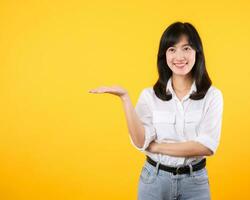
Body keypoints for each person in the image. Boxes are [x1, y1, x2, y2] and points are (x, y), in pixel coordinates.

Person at [89, 21, 223, 200]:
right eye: (172, 49)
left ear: (197, 53)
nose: (179, 56)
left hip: (195, 183)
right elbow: (140, 141)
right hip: (154, 180)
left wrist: (157, 147)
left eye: (186, 48)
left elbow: (206, 146)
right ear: (164, 55)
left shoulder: (212, 96)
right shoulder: (149, 96)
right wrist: (125, 99)